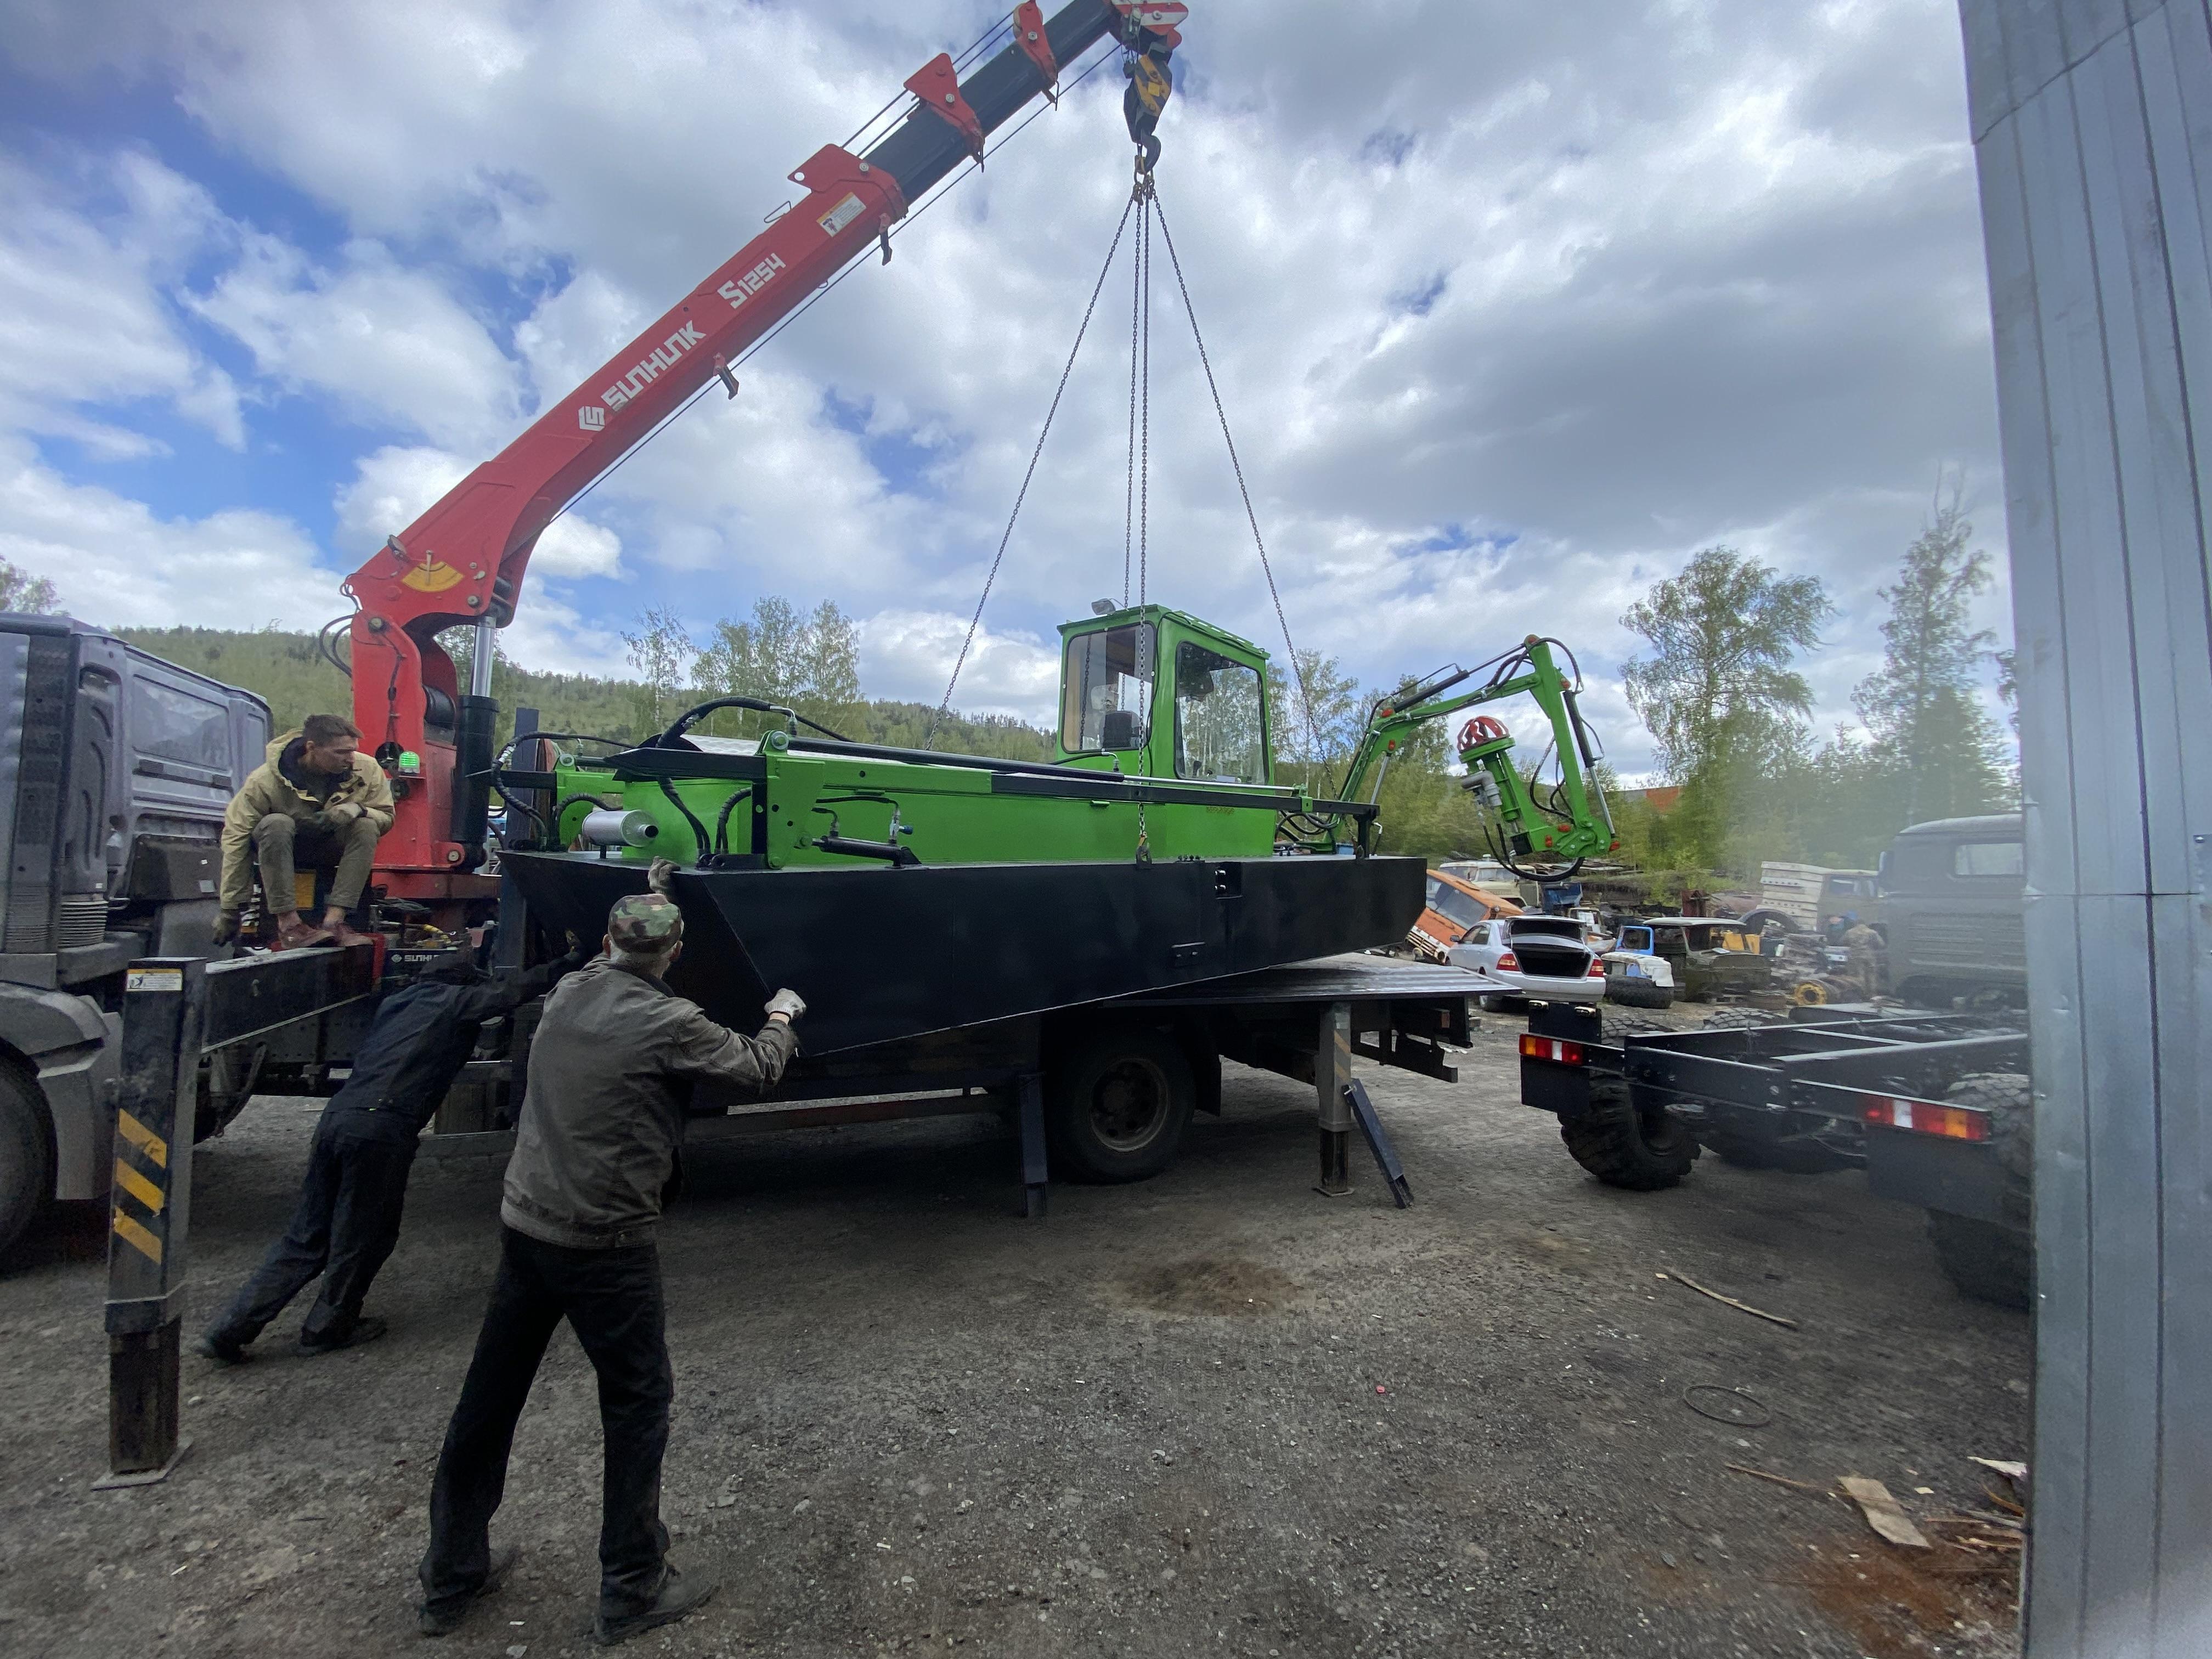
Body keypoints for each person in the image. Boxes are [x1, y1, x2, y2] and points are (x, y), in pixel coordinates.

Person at [418, 867, 805, 1644]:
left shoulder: (572, 991)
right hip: (605, 1243)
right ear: (675, 955)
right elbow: (757, 1068)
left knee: (488, 1401)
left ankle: (450, 1577)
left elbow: (620, 953)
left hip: (526, 1226)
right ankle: (631, 1585)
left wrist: (658, 890)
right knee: (637, 1404)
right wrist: (782, 1015)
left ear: (606, 943)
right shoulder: (671, 1022)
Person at [194, 946, 586, 1362]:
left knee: (306, 1235)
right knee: (364, 1236)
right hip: (381, 1129)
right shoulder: (454, 1002)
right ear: (463, 984)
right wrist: (570, 959)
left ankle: (229, 1330)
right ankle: (327, 1327)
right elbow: (514, 991)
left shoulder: (396, 1004)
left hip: (336, 1121)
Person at [217, 714, 394, 950]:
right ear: (312, 748)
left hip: (334, 848)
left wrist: (358, 809)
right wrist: (230, 909)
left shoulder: (367, 770)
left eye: (353, 750)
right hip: (282, 850)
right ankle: (289, 926)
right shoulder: (264, 782)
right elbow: (236, 838)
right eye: (341, 752)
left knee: (366, 825)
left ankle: (335, 922)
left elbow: (386, 816)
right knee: (276, 824)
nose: (351, 759)